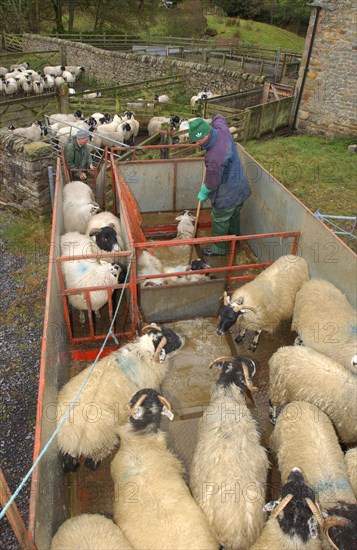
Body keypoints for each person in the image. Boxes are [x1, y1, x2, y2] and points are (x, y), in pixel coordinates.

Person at [188, 115, 251, 256]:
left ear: (205, 136)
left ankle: (219, 249)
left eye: (198, 140)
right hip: (240, 186)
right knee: (234, 215)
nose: (196, 144)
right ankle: (234, 240)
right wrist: (206, 122)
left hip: (227, 193)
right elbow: (219, 117)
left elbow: (212, 182)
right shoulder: (222, 129)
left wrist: (204, 192)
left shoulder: (214, 156)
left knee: (220, 220)